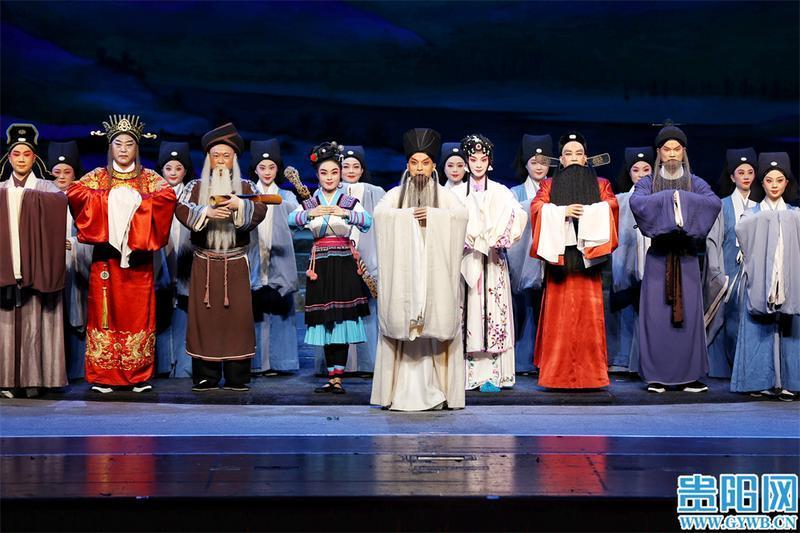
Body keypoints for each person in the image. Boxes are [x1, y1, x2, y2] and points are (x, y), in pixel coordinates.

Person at [67, 115, 176, 394]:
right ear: (110, 147)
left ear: (137, 148)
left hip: (138, 261)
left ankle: (138, 374)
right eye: (118, 144)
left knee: (138, 314)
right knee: (105, 314)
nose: (124, 149)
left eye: (129, 144)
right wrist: (112, 201)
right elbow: (76, 193)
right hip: (106, 259)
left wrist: (136, 204)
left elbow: (167, 198)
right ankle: (104, 376)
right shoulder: (97, 177)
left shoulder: (149, 179)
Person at [370, 128, 468, 411]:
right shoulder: (395, 194)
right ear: (407, 165)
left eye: (425, 163)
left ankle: (439, 391)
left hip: (433, 275)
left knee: (434, 323)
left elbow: (461, 216)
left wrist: (435, 217)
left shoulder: (445, 196)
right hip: (405, 276)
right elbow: (380, 214)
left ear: (434, 165)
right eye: (415, 163)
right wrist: (408, 217)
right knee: (404, 321)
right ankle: (396, 393)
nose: (420, 169)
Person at [174, 123, 267, 392]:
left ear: (235, 158)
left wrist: (240, 205)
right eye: (216, 155)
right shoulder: (195, 186)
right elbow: (180, 209)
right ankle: (207, 376)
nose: (221, 160)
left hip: (235, 263)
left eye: (227, 155)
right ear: (208, 158)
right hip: (204, 262)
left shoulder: (247, 186)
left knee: (238, 320)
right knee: (205, 320)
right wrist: (207, 212)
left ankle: (237, 376)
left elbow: (259, 210)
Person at [629, 122, 721, 393]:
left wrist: (679, 201)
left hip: (686, 257)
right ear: (658, 152)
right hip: (659, 256)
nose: (671, 154)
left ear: (684, 152)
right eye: (666, 149)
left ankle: (689, 376)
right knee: (656, 318)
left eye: (676, 149)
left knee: (689, 317)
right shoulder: (648, 182)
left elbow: (713, 203)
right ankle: (656, 375)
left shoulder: (695, 182)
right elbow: (638, 203)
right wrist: (674, 200)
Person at [530, 132, 619, 390]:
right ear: (561, 159)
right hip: (560, 262)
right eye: (568, 154)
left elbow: (612, 205)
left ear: (586, 158)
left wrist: (590, 213)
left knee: (589, 320)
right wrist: (562, 212)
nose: (574, 158)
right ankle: (556, 376)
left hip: (588, 261)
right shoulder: (549, 185)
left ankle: (591, 376)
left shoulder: (600, 184)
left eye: (579, 153)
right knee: (558, 321)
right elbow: (537, 208)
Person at [288, 141, 372, 394]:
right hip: (321, 266)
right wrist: (310, 215)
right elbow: (292, 221)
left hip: (343, 262)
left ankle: (338, 378)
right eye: (324, 173)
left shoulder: (348, 201)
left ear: (340, 174)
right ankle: (331, 376)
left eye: (334, 172)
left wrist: (343, 213)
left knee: (342, 319)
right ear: (317, 175)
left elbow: (367, 221)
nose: (329, 177)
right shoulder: (311, 202)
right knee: (325, 319)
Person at [0, 123, 68, 398]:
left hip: (36, 268)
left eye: (26, 154)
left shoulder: (48, 190)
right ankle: (6, 380)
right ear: (8, 158)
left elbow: (58, 217)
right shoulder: (1, 190)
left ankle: (36, 380)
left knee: (36, 321)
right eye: (16, 154)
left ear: (34, 157)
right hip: (7, 267)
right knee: (6, 323)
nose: (21, 159)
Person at [460, 134, 527, 392]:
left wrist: (496, 237)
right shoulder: (455, 193)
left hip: (493, 260)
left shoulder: (501, 192)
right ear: (466, 162)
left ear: (490, 162)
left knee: (494, 313)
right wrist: (468, 239)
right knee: (468, 312)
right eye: (473, 159)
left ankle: (493, 375)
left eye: (483, 159)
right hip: (467, 260)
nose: (478, 164)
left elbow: (517, 216)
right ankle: (466, 375)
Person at [731, 152, 799, 401]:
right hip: (760, 280)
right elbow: (742, 232)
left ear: (787, 183)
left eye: (779, 180)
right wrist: (771, 220)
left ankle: (790, 382)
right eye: (769, 180)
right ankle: (758, 380)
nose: (774, 185)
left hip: (788, 277)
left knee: (791, 329)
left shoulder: (795, 213)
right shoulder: (752, 213)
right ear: (763, 183)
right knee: (758, 327)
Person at [313, 145, 383, 375]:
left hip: (367, 259)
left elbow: (372, 221)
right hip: (336, 259)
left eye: (356, 166)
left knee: (366, 311)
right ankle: (338, 367)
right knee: (335, 312)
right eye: (346, 167)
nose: (351, 171)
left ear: (362, 170)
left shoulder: (375, 192)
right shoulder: (326, 193)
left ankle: (367, 363)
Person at [703, 148, 760, 378]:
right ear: (732, 176)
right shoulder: (721, 206)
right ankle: (720, 369)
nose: (745, 177)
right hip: (727, 269)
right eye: (740, 172)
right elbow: (713, 241)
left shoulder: (759, 207)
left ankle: (745, 370)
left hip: (751, 272)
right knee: (722, 319)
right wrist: (716, 271)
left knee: (745, 319)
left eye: (750, 172)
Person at [248, 138, 300, 376]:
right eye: (262, 167)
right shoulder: (248, 193)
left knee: (281, 308)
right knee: (255, 309)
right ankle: (256, 362)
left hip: (279, 258)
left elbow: (296, 216)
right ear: (255, 169)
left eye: (271, 167)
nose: (267, 172)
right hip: (255, 257)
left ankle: (282, 362)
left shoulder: (286, 195)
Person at [607, 147, 655, 373]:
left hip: (652, 262)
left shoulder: (659, 198)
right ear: (629, 173)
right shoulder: (619, 200)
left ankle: (647, 361)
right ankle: (623, 359)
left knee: (650, 313)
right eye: (636, 170)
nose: (641, 174)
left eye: (646, 169)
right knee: (626, 312)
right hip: (625, 264)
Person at [508, 134, 552, 374]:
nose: (539, 167)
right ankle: (522, 361)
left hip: (549, 258)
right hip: (522, 260)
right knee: (523, 309)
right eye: (534, 162)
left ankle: (547, 360)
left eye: (543, 162)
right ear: (525, 164)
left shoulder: (556, 189)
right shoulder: (514, 193)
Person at [48, 140, 92, 380]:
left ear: (75, 174)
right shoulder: (43, 197)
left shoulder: (83, 200)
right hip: (50, 267)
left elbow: (93, 235)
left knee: (77, 318)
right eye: (57, 172)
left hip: (75, 267)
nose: (62, 177)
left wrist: (75, 244)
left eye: (67, 172)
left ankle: (78, 372)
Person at [154, 141, 194, 378]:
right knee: (161, 312)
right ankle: (162, 365)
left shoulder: (192, 195)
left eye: (178, 168)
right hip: (160, 260)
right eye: (168, 168)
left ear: (185, 171)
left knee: (184, 313)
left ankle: (183, 366)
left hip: (185, 258)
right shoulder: (154, 194)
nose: (173, 173)